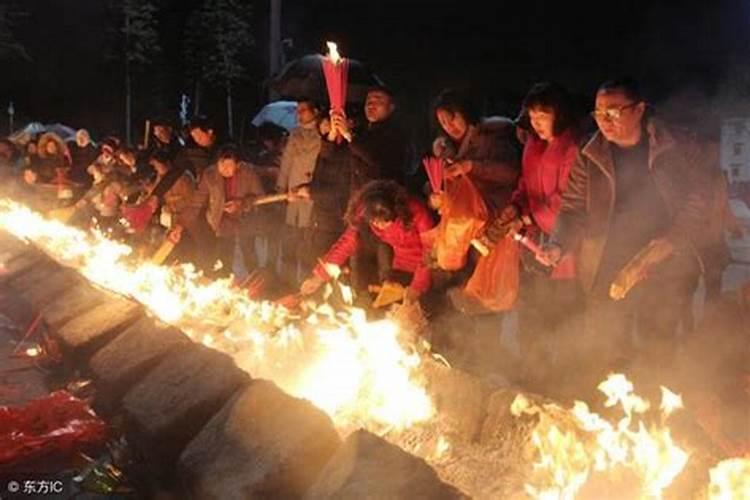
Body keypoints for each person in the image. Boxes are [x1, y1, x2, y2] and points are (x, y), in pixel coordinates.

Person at [541, 78, 712, 395]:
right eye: (598, 113)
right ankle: (605, 422)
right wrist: (557, 244)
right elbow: (573, 208)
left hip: (665, 265)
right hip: (607, 263)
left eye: (613, 112)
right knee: (604, 346)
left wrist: (672, 240)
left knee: (657, 344)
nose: (604, 120)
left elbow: (699, 197)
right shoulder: (590, 153)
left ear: (639, 109)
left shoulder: (673, 145)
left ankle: (654, 417)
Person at [481, 82, 584, 392]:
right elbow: (525, 187)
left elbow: (569, 201)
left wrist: (528, 217)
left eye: (544, 115)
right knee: (530, 315)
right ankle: (533, 377)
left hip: (565, 251)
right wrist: (515, 207)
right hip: (533, 245)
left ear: (560, 115)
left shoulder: (572, 148)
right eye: (533, 115)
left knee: (562, 319)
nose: (537, 122)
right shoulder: (532, 146)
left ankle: (567, 383)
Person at [300, 180, 434, 306]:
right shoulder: (363, 210)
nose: (380, 226)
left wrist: (417, 287)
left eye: (386, 221)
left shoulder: (415, 211)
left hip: (432, 267)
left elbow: (431, 251)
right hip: (401, 265)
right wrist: (319, 277)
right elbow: (347, 243)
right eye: (375, 222)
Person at [171, 145, 265, 278]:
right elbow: (195, 203)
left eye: (229, 166)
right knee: (223, 256)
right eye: (221, 165)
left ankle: (257, 281)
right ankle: (223, 281)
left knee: (248, 252)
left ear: (238, 165)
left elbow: (260, 196)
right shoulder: (210, 174)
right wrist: (180, 225)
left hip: (245, 217)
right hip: (220, 220)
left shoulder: (248, 173)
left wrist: (242, 204)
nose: (224, 170)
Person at [432, 88, 521, 214]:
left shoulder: (491, 135)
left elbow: (511, 174)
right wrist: (436, 197)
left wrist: (472, 167)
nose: (450, 127)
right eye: (443, 123)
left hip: (498, 214)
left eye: (453, 118)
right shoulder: (444, 150)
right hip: (467, 219)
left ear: (465, 112)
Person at [276, 100, 322, 284]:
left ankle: (306, 282)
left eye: (303, 110)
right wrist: (281, 187)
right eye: (298, 110)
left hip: (312, 191)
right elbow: (286, 162)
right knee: (290, 235)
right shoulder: (294, 134)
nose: (299, 114)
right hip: (293, 191)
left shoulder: (323, 133)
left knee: (308, 238)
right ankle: (287, 282)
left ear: (315, 111)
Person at [330, 86, 412, 187]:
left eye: (378, 101)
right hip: (357, 198)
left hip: (381, 197)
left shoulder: (396, 134)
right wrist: (333, 133)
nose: (371, 105)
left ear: (391, 107)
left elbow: (377, 161)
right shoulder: (361, 130)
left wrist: (349, 135)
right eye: (368, 101)